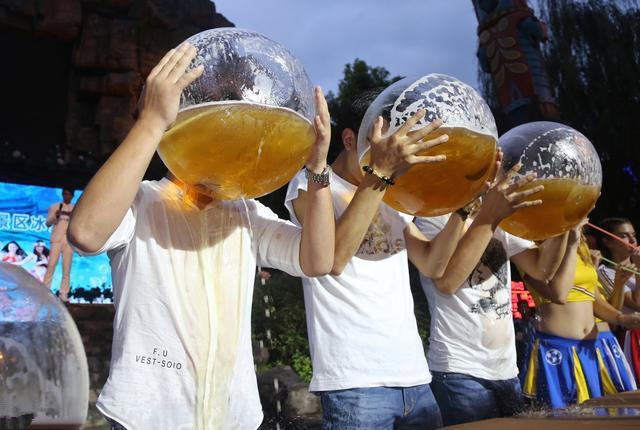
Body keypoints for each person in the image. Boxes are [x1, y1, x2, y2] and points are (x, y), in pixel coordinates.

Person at [68, 44, 335, 430]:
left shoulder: (248, 215)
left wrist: (318, 169)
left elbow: (319, 260)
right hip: (146, 419)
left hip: (232, 417)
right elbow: (86, 232)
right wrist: (151, 121)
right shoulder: (141, 202)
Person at [414, 169, 569, 426]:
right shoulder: (437, 216)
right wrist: (487, 214)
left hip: (506, 370)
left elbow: (542, 269)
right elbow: (447, 283)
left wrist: (564, 222)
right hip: (459, 371)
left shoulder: (500, 221)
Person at [522, 222, 640, 408]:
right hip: (558, 348)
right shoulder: (531, 243)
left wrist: (621, 318)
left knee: (609, 414)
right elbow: (557, 293)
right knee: (564, 417)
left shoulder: (581, 245)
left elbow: (594, 298)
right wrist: (569, 243)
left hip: (593, 347)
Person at [596, 217, 640, 386]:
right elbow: (637, 303)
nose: (632, 240)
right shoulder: (605, 271)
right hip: (634, 336)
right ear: (608, 242)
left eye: (633, 234)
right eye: (623, 236)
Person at [44, 188, 75, 301]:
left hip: (69, 241)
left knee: (66, 269)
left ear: (72, 196)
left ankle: (63, 294)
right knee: (51, 265)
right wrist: (56, 216)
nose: (67, 196)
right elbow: (48, 223)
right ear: (62, 194)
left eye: (69, 194)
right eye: (65, 194)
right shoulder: (54, 206)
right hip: (56, 240)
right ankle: (45, 290)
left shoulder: (75, 209)